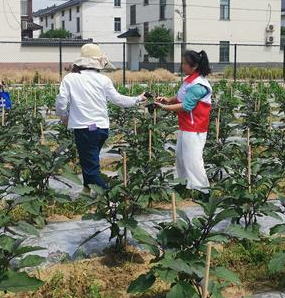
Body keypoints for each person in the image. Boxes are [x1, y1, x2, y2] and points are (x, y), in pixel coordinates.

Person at [55, 44, 146, 190]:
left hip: (85, 128)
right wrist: (138, 99)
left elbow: (61, 102)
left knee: (91, 167)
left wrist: (64, 116)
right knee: (89, 161)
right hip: (102, 129)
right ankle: (87, 191)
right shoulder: (103, 79)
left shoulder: (70, 79)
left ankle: (110, 198)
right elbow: (118, 100)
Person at [156, 50, 212, 194]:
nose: (182, 66)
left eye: (185, 63)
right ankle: (185, 185)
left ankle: (203, 191)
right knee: (181, 158)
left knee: (193, 160)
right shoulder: (190, 80)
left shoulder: (199, 85)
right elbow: (181, 96)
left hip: (195, 127)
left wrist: (164, 107)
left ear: (194, 66)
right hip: (186, 126)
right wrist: (169, 99)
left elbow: (186, 106)